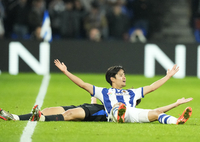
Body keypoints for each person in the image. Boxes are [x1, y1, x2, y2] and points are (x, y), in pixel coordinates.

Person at [53, 59, 193, 124]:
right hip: (114, 114)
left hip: (131, 114)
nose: (124, 77)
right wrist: (66, 72)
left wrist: (167, 76)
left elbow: (152, 87)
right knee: (116, 106)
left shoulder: (132, 93)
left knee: (156, 113)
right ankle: (118, 114)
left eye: (124, 74)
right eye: (121, 75)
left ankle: (178, 121)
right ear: (112, 79)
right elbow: (83, 84)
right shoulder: (104, 92)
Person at [0, 97, 107, 122]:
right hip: (87, 106)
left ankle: (41, 119)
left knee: (69, 114)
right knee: (48, 110)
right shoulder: (111, 93)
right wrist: (94, 100)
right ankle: (14, 117)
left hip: (91, 111)